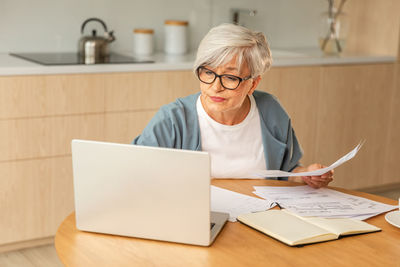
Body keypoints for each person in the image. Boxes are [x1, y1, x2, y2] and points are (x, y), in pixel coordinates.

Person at [133, 23, 333, 188]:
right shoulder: (173, 119)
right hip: (198, 219)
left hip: (260, 217)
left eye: (230, 77)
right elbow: (135, 172)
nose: (216, 87)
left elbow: (286, 171)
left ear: (253, 84)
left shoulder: (270, 111)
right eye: (208, 73)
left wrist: (306, 174)